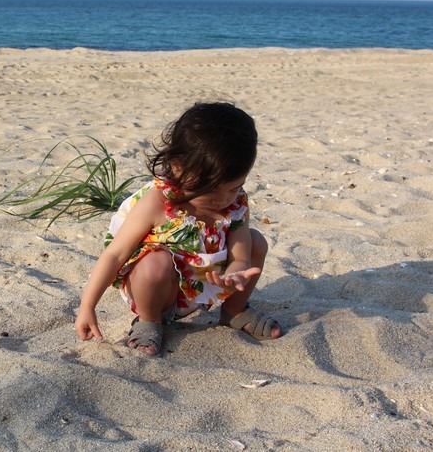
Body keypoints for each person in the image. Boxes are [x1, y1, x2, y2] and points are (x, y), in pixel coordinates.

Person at [75, 102, 281, 356]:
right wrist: (88, 305)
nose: (223, 199)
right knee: (155, 262)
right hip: (156, 290)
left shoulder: (235, 205)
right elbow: (115, 255)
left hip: (204, 283)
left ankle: (234, 312)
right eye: (211, 189)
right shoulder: (157, 202)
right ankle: (149, 322)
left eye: (234, 187)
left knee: (257, 241)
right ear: (177, 167)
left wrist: (235, 274)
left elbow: (241, 256)